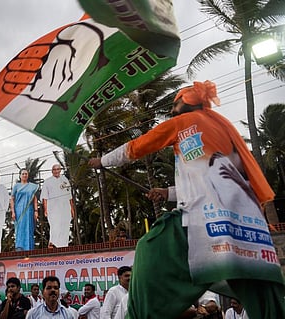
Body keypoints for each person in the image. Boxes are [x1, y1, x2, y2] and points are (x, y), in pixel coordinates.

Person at [88, 80, 285, 319]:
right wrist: (168, 193)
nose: (172, 109)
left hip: (206, 219)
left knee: (150, 246)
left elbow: (136, 147)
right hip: (246, 225)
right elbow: (209, 182)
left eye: (175, 102)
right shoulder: (224, 130)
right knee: (260, 291)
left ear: (187, 101)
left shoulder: (181, 123)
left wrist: (102, 161)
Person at [40, 164, 75, 248]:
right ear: (52, 171)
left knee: (65, 227)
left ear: (60, 170)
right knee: (55, 226)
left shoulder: (65, 180)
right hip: (53, 209)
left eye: (58, 169)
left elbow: (69, 196)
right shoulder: (47, 182)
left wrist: (72, 209)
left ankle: (64, 247)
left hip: (65, 207)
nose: (56, 171)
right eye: (54, 169)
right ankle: (52, 244)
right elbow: (44, 197)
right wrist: (45, 209)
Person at [10, 169, 38, 251]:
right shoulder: (16, 186)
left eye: (26, 174)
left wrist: (36, 211)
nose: (25, 175)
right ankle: (19, 248)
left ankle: (29, 249)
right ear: (20, 175)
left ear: (28, 175)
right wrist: (13, 212)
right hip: (18, 211)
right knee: (20, 229)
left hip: (29, 211)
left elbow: (35, 199)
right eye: (23, 174)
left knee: (29, 228)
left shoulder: (32, 186)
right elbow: (12, 199)